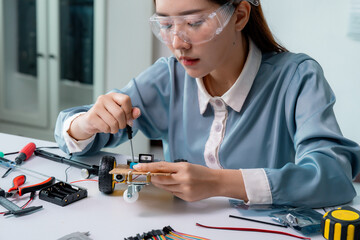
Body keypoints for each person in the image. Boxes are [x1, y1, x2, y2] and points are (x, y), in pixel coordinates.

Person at [55, 0, 360, 208]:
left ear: (239, 15)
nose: (177, 42)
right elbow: (78, 136)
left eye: (194, 22)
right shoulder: (169, 77)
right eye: (166, 23)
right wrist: (86, 124)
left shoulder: (297, 78)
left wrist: (218, 183)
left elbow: (333, 176)